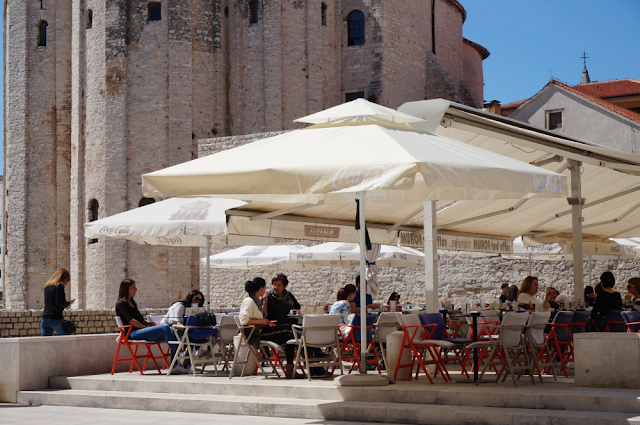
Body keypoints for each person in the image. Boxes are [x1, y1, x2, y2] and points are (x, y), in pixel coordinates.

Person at [115, 279, 184, 373]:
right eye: (133, 287)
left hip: (141, 331)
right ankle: (181, 355)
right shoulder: (121, 304)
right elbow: (131, 321)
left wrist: (149, 323)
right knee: (165, 327)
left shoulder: (132, 303)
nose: (136, 289)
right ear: (127, 288)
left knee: (174, 332)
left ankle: (175, 365)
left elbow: (140, 319)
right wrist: (145, 328)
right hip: (133, 333)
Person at [239, 277, 302, 379]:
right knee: (289, 332)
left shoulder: (256, 301)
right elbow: (243, 320)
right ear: (262, 288)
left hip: (262, 329)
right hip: (256, 334)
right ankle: (303, 359)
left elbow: (262, 317)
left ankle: (290, 370)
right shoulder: (249, 301)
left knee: (289, 337)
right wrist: (262, 322)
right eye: (265, 287)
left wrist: (267, 322)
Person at [41, 268, 75, 336]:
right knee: (68, 339)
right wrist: (69, 303)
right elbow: (59, 304)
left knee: (45, 341)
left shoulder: (47, 286)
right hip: (55, 319)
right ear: (64, 278)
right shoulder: (59, 286)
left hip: (45, 319)